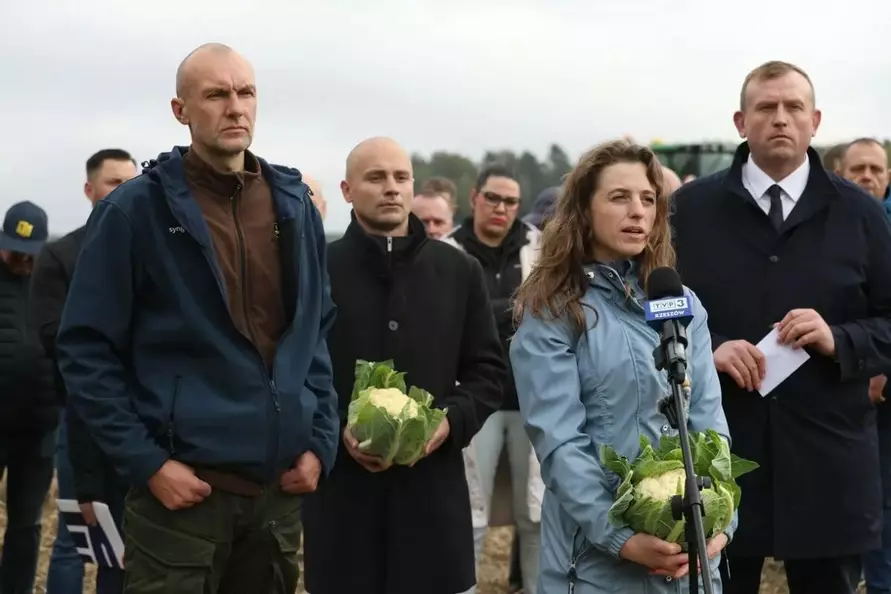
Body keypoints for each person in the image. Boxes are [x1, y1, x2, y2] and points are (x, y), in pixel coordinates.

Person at [55, 42, 338, 594]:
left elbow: (316, 333)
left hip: (276, 500)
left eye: (246, 92)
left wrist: (321, 442)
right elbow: (85, 350)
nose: (235, 107)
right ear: (180, 110)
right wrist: (147, 463)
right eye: (216, 94)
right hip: (182, 503)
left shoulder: (294, 206)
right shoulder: (135, 211)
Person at [671, 60, 891, 594]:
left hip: (828, 458)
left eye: (794, 107)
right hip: (720, 452)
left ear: (815, 121)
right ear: (740, 121)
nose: (780, 118)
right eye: (766, 107)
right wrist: (711, 347)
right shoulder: (689, 211)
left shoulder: (860, 214)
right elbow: (655, 310)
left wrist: (840, 338)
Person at [509, 139, 731, 593]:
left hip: (693, 565)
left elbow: (711, 428)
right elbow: (559, 443)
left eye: (648, 199)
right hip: (597, 567)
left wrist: (722, 523)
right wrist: (623, 539)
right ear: (583, 211)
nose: (637, 211)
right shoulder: (552, 310)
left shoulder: (684, 305)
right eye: (619, 197)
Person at [301, 136, 507, 594]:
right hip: (343, 505)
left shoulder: (458, 271)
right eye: (376, 177)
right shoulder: (316, 269)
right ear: (348, 189)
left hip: (432, 502)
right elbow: (291, 373)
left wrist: (448, 423)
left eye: (401, 177)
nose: (391, 188)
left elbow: (488, 373)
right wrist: (335, 431)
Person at [31, 148, 138, 594]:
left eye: (130, 182)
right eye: (113, 181)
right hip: (80, 417)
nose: (123, 190)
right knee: (78, 540)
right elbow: (55, 337)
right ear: (89, 189)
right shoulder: (60, 256)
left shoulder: (144, 253)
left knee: (125, 545)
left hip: (136, 422)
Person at [442, 164, 543, 593]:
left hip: (531, 396)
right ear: (474, 198)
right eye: (493, 198)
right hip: (473, 397)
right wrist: (512, 308)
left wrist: (485, 308)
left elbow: (546, 306)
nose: (501, 208)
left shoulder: (538, 247)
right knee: (469, 511)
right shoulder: (447, 251)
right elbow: (449, 317)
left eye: (511, 201)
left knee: (536, 512)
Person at [839, 137, 891, 594]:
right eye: (858, 169)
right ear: (841, 172)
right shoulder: (836, 228)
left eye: (876, 169)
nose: (868, 177)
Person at [0, 201, 57, 594]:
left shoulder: (54, 283)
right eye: (12, 248)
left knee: (26, 522)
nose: (20, 257)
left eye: (29, 251)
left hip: (38, 430)